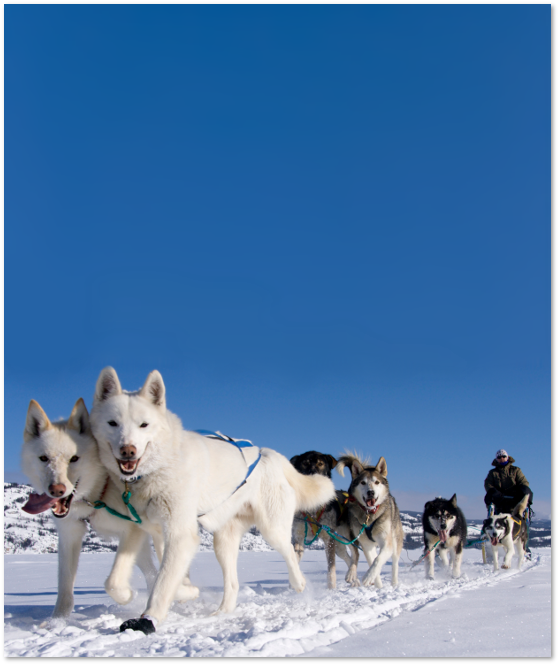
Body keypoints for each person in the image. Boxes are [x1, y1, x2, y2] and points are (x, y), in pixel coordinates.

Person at [484, 449, 532, 516]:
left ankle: (523, 514)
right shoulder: (492, 472)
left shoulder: (516, 470)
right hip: (498, 499)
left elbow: (523, 482)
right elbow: (488, 484)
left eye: (503, 456)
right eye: (499, 457)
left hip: (515, 499)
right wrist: (494, 492)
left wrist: (520, 491)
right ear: (497, 459)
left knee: (526, 490)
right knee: (489, 494)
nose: (502, 458)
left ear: (507, 457)